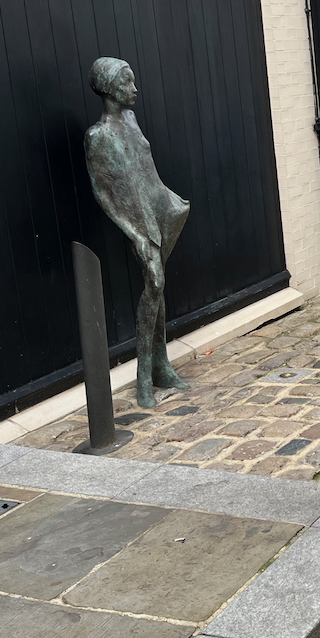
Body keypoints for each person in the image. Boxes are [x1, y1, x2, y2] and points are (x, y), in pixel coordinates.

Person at [84, 57, 190, 409]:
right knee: (154, 285)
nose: (135, 89)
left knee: (158, 287)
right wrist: (134, 233)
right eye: (128, 83)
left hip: (162, 209)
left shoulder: (130, 119)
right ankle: (144, 375)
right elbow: (103, 193)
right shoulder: (97, 136)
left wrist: (167, 198)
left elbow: (146, 168)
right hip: (140, 221)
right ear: (110, 88)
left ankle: (161, 367)